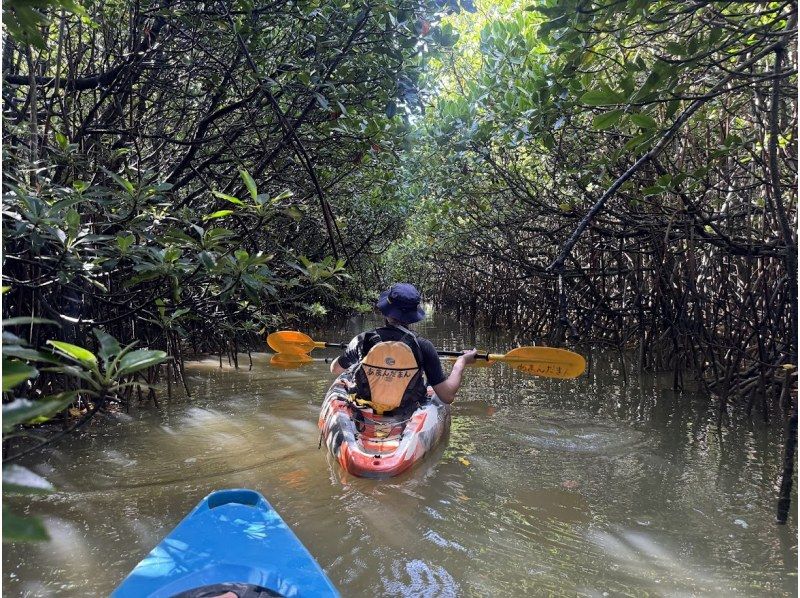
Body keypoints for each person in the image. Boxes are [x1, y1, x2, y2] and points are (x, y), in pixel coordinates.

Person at [329, 283, 477, 407]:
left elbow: (335, 368)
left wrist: (352, 355)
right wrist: (461, 362)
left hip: (365, 407)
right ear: (413, 315)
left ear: (386, 310)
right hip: (406, 409)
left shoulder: (361, 340)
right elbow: (447, 396)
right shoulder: (424, 346)